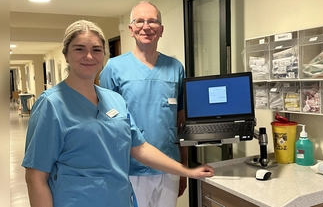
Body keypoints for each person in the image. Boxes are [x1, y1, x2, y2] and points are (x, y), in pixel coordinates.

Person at [22, 19, 214, 207]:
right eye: (79, 48)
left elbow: (139, 147)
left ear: (104, 55)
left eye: (96, 50)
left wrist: (187, 171)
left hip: (119, 198)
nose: (89, 56)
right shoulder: (51, 104)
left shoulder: (114, 100)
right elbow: (35, 178)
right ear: (66, 54)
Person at [99, 1, 188, 207]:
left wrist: (183, 166)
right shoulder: (114, 68)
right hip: (129, 168)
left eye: (152, 21)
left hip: (169, 165)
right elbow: (104, 127)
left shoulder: (175, 67)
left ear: (161, 30)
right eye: (139, 21)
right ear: (131, 29)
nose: (146, 27)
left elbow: (181, 123)